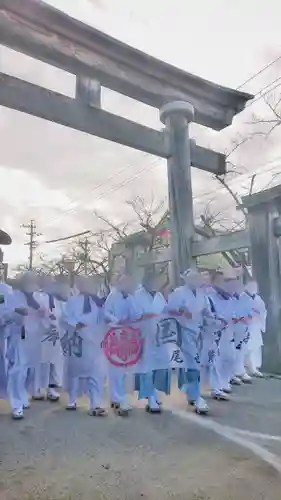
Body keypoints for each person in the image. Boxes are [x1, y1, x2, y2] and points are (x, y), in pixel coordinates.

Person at [63, 275, 107, 416]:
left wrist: (115, 321)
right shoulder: (72, 301)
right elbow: (64, 317)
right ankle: (72, 399)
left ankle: (95, 404)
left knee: (96, 372)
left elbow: (106, 316)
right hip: (78, 341)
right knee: (76, 372)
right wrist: (76, 325)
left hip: (95, 341)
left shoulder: (98, 302)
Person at [167, 268, 209, 415]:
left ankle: (191, 392)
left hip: (199, 332)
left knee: (193, 364)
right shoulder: (178, 292)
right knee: (193, 364)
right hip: (184, 332)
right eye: (192, 277)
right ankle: (197, 397)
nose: (195, 280)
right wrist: (181, 310)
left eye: (197, 277)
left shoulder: (202, 293)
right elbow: (168, 310)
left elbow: (206, 311)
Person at [104, 274, 142, 416]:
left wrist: (135, 319)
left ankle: (119, 398)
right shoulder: (112, 296)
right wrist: (117, 320)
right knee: (116, 369)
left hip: (129, 336)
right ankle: (118, 399)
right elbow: (106, 313)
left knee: (126, 369)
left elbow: (137, 314)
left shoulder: (131, 298)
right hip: (114, 335)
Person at [134, 272, 167, 413]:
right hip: (143, 336)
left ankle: (154, 393)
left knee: (159, 366)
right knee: (147, 368)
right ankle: (151, 398)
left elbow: (165, 313)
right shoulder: (137, 295)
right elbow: (133, 315)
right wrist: (144, 316)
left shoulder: (159, 296)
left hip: (160, 336)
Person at [200, 271, 230, 401]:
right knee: (199, 363)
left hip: (211, 334)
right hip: (198, 335)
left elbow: (213, 313)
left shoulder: (211, 297)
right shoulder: (197, 296)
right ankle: (192, 390)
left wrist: (220, 321)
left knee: (213, 361)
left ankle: (216, 389)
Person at [208, 269, 236, 395]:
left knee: (230, 357)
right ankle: (217, 386)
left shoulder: (227, 295)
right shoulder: (208, 295)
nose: (221, 282)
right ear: (213, 281)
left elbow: (232, 311)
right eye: (218, 280)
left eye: (222, 280)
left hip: (228, 329)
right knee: (216, 359)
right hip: (214, 330)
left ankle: (224, 382)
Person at [230, 272, 253, 384]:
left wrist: (247, 319)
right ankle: (232, 373)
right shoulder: (229, 298)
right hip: (232, 327)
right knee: (232, 351)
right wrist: (238, 319)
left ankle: (240, 371)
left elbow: (250, 312)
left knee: (241, 350)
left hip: (243, 327)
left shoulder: (246, 298)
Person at [244, 280, 267, 377]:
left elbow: (263, 312)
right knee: (248, 347)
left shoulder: (258, 299)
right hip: (247, 325)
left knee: (256, 347)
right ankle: (248, 367)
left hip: (256, 325)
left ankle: (256, 366)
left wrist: (261, 322)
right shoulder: (243, 297)